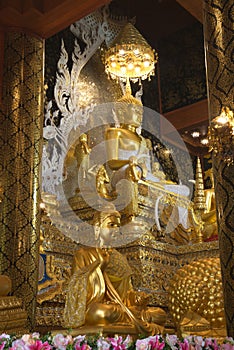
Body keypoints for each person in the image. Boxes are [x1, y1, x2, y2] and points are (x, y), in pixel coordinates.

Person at [63, 204, 166, 334]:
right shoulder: (83, 254)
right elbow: (76, 289)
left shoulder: (119, 258)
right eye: (111, 225)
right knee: (99, 313)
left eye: (118, 226)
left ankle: (132, 317)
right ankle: (130, 318)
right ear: (97, 228)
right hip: (98, 308)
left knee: (159, 314)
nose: (116, 230)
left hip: (121, 308)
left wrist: (137, 298)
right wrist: (99, 267)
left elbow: (127, 293)